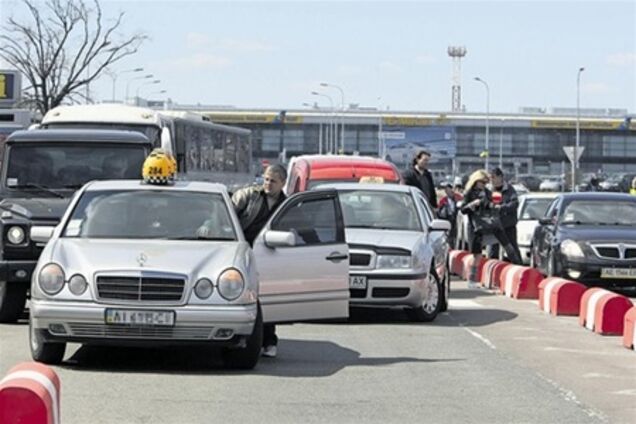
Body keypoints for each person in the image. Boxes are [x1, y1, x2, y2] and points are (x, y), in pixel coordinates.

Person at [230, 164, 287, 358]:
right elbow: (227, 216)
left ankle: (269, 341)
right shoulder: (248, 196)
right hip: (243, 253)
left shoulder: (286, 204)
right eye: (266, 179)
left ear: (283, 183)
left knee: (267, 298)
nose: (268, 184)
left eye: (273, 181)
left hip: (269, 255)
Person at [461, 170, 522, 288]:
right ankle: (472, 280)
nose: (484, 185)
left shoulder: (489, 192)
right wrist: (473, 204)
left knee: (509, 246)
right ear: (475, 181)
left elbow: (493, 205)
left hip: (491, 224)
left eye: (485, 182)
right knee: (477, 255)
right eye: (482, 182)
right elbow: (463, 209)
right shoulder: (469, 193)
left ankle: (519, 270)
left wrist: (493, 206)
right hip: (476, 226)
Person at [487, 167, 522, 263]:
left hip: (508, 226)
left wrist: (502, 207)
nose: (492, 180)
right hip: (494, 226)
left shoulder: (510, 189)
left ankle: (519, 269)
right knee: (492, 252)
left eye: (493, 177)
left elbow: (514, 203)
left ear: (500, 177)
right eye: (490, 178)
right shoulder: (489, 190)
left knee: (512, 250)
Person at [437, 182, 461, 247]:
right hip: (447, 218)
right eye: (446, 190)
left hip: (456, 218)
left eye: (449, 189)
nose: (448, 191)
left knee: (455, 233)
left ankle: (454, 245)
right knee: (448, 234)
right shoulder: (443, 200)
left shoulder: (457, 197)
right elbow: (439, 210)